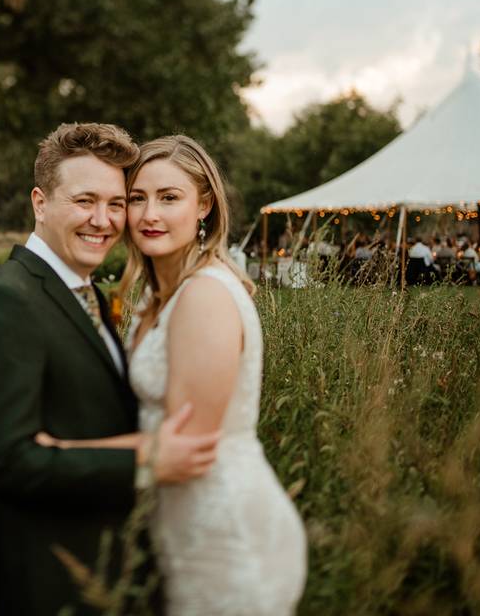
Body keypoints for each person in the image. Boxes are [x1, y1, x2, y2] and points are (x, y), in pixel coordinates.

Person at [0, 123, 220, 616]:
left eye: (116, 204)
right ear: (40, 202)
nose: (103, 221)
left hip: (105, 569)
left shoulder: (88, 294)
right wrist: (144, 462)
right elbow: (2, 463)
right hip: (46, 579)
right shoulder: (5, 302)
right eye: (84, 202)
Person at [38, 135, 308, 614]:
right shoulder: (150, 299)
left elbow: (184, 443)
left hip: (225, 531)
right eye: (136, 199)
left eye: (169, 197)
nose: (149, 215)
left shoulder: (205, 295)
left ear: (204, 205)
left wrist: (63, 453)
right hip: (177, 526)